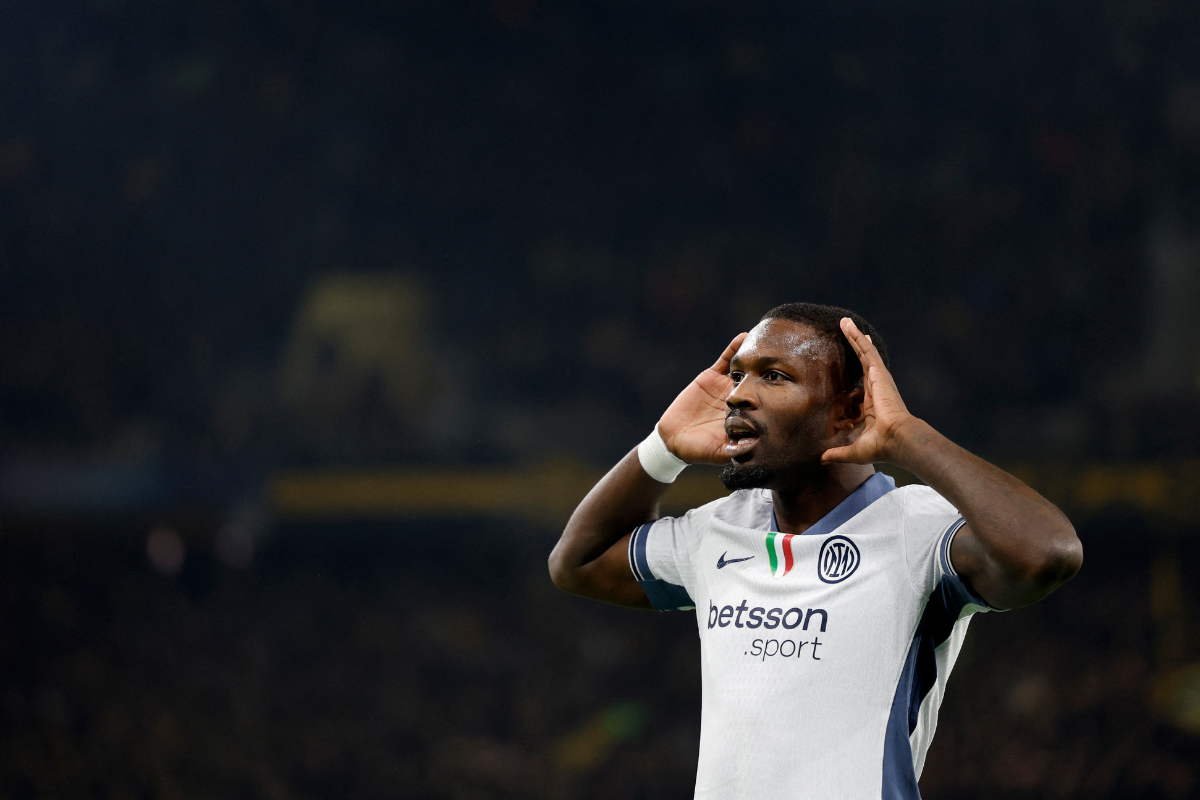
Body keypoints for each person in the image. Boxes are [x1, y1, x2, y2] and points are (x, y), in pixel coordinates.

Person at [548, 302, 1083, 799]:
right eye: (739, 375)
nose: (738, 394)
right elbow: (578, 564)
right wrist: (661, 449)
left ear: (848, 410)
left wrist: (908, 436)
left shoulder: (916, 530)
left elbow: (1047, 554)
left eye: (774, 376)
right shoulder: (718, 530)